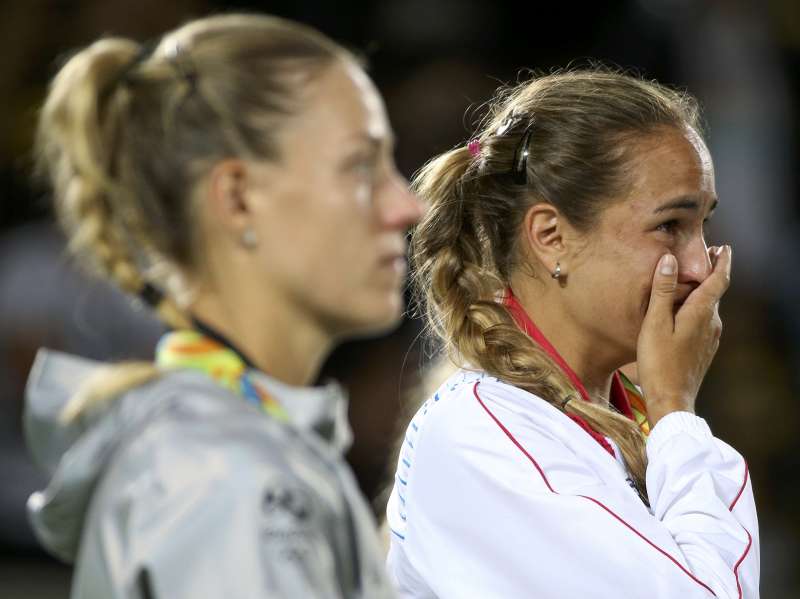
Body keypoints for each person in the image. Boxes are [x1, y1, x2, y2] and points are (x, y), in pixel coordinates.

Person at [25, 13, 422, 598]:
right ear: (237, 199)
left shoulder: (229, 451)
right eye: (361, 166)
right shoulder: (228, 473)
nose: (404, 206)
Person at [385, 69, 759, 598]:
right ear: (551, 237)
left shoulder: (615, 421)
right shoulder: (480, 436)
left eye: (703, 227)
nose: (700, 266)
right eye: (670, 226)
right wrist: (675, 407)